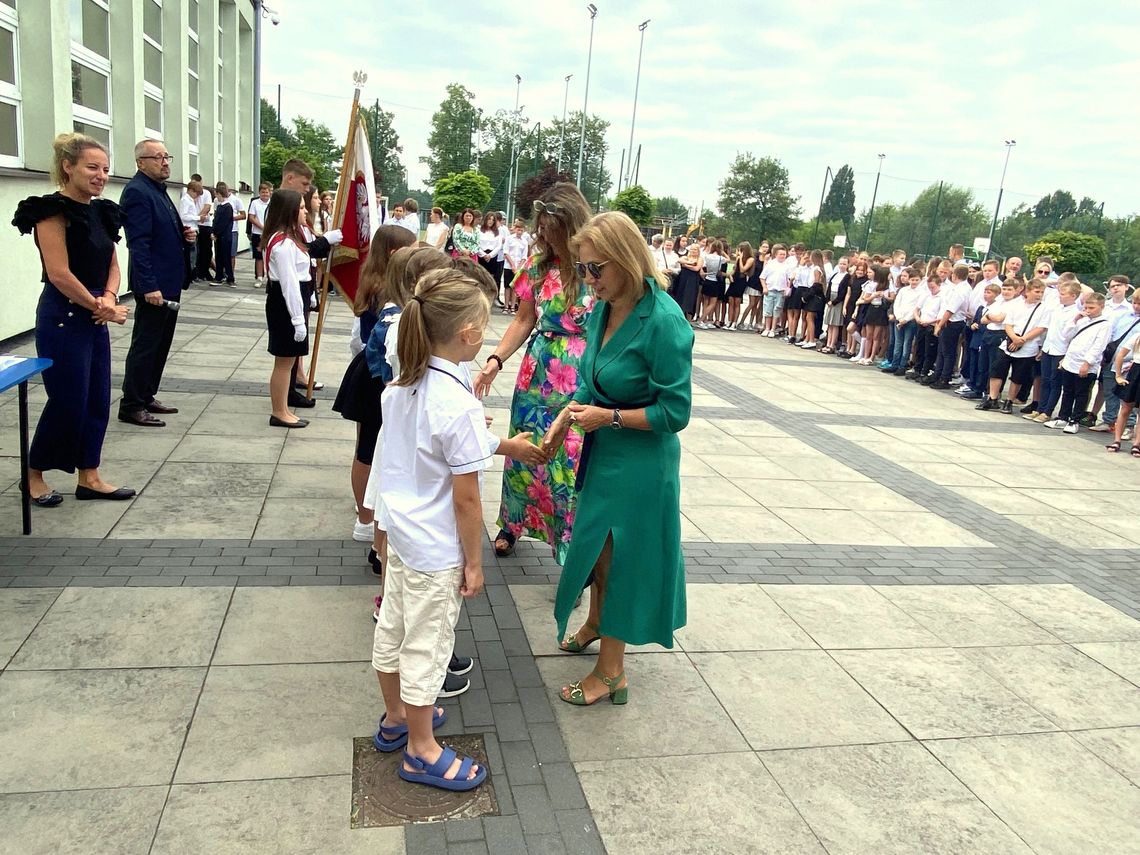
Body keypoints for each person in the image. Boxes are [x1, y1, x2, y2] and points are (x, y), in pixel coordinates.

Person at [540, 211, 693, 706]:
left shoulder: (665, 321)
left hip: (642, 465)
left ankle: (611, 673)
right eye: (582, 268)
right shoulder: (605, 308)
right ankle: (597, 622)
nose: (588, 280)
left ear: (626, 259)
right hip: (605, 454)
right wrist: (569, 412)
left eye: (595, 268)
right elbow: (594, 377)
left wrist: (608, 418)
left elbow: (675, 411)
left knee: (621, 556)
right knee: (599, 550)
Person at [473, 183, 594, 561]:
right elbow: (524, 319)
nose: (542, 237)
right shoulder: (537, 267)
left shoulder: (593, 268)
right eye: (539, 229)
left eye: (549, 230)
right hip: (536, 376)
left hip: (577, 380)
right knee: (523, 450)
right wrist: (495, 360)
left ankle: (566, 543)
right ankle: (512, 522)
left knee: (566, 465)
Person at [12, 133, 134, 505]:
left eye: (106, 169)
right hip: (64, 315)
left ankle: (90, 476)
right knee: (68, 399)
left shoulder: (102, 211)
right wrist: (102, 307)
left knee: (97, 398)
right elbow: (59, 273)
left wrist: (110, 297)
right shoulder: (50, 211)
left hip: (96, 313)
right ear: (68, 167)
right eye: (92, 167)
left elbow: (113, 263)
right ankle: (33, 475)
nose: (101, 176)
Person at [333, 227, 417, 541]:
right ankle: (365, 519)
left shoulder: (377, 280)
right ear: (397, 254)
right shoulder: (387, 289)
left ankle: (366, 508)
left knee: (367, 446)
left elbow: (358, 339)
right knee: (368, 449)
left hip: (369, 368)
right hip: (375, 375)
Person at [118, 139, 190, 428]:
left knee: (161, 343)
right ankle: (131, 404)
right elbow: (139, 244)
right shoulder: (137, 191)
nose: (165, 161)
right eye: (157, 157)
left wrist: (183, 236)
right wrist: (148, 285)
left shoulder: (157, 190)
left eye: (166, 156)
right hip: (154, 286)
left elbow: (160, 232)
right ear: (140, 162)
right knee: (146, 344)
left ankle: (147, 395)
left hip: (169, 281)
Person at [261, 189, 318, 428]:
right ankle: (279, 411)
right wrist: (297, 319)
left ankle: (283, 408)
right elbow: (289, 284)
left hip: (294, 300)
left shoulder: (291, 237)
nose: (306, 211)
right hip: (285, 304)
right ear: (290, 211)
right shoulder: (283, 243)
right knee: (284, 362)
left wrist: (311, 297)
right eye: (302, 208)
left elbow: (303, 273)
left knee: (289, 360)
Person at [1045, 293, 1110, 434]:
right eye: (1086, 307)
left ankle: (1075, 419)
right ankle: (1063, 416)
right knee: (1067, 391)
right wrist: (1075, 319)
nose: (1088, 310)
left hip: (1085, 363)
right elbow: (1066, 336)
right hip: (1070, 360)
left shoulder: (1104, 325)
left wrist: (1087, 363)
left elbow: (1098, 346)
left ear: (1101, 307)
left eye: (1092, 307)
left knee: (1081, 393)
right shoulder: (1082, 320)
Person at [177, 179, 203, 289]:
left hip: (193, 228)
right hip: (189, 229)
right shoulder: (185, 200)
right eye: (196, 193)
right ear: (191, 190)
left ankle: (191, 274)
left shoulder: (190, 200)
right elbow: (183, 216)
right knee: (191, 255)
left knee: (194, 254)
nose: (197, 196)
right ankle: (188, 275)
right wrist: (198, 217)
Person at [211, 182, 236, 287]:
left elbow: (223, 223)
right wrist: (213, 231)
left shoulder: (227, 207)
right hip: (219, 236)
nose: (215, 196)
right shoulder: (220, 206)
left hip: (225, 236)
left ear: (219, 194)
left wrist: (215, 232)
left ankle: (230, 278)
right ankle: (219, 276)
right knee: (218, 257)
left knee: (226, 257)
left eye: (216, 194)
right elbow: (216, 220)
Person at [248, 182, 271, 287]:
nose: (265, 194)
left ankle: (271, 278)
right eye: (263, 192)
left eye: (267, 192)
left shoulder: (273, 204)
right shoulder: (255, 203)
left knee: (271, 256)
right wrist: (262, 227)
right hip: (257, 233)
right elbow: (251, 217)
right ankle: (259, 277)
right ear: (259, 192)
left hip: (270, 234)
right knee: (258, 256)